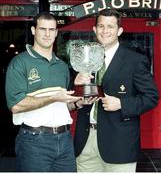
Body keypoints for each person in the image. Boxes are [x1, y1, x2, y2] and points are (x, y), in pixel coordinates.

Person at [74, 9, 159, 172]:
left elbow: (151, 97)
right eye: (101, 26)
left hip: (120, 144)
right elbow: (75, 95)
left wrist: (121, 103)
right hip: (86, 142)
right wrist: (76, 86)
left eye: (110, 27)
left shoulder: (135, 60)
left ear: (119, 30)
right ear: (94, 29)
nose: (105, 31)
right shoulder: (84, 59)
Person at [5, 12, 83, 172]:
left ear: (56, 32)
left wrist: (77, 103)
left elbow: (63, 105)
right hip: (34, 141)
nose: (47, 34)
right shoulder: (20, 62)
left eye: (51, 30)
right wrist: (53, 97)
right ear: (34, 30)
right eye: (42, 29)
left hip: (65, 139)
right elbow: (16, 105)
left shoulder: (62, 66)